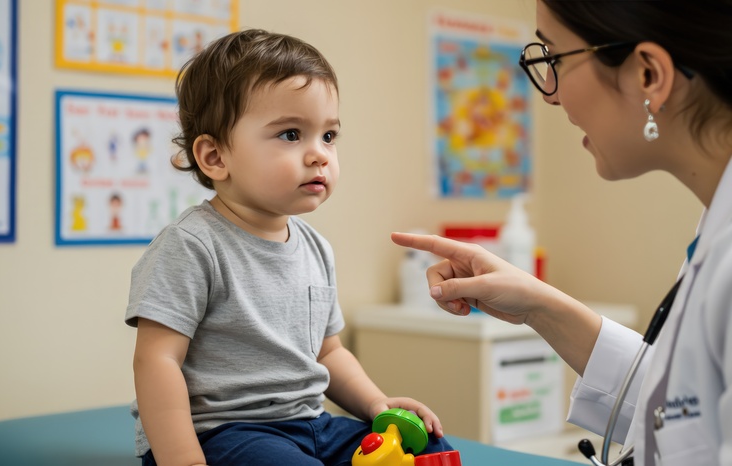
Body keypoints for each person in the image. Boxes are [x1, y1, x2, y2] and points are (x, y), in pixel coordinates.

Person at [393, 1, 732, 465]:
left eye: (553, 59)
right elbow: (683, 399)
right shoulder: (715, 225)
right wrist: (536, 303)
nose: (549, 96)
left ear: (648, 75)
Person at [125, 29, 451, 466]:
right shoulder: (191, 246)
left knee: (428, 450)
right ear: (215, 157)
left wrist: (378, 405)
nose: (319, 154)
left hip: (309, 424)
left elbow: (328, 353)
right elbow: (156, 361)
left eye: (329, 136)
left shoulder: (316, 248)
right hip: (221, 432)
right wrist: (180, 458)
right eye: (291, 134)